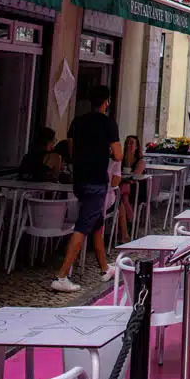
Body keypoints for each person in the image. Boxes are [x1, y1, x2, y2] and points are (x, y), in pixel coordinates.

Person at [51, 85, 122, 292]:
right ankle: (62, 275)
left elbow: (71, 150)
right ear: (106, 102)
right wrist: (103, 151)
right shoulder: (108, 124)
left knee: (96, 223)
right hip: (97, 179)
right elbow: (118, 155)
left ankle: (104, 268)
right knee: (83, 227)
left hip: (79, 178)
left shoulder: (76, 122)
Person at [112, 135, 145, 242]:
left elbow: (135, 177)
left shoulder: (140, 161)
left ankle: (130, 223)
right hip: (122, 187)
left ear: (136, 146)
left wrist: (122, 179)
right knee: (122, 191)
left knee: (123, 190)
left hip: (136, 188)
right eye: (127, 143)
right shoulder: (120, 158)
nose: (128, 145)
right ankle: (131, 223)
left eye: (131, 143)